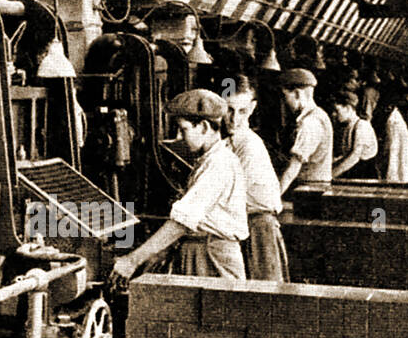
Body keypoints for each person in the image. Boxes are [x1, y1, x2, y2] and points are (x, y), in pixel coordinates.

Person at [111, 89, 248, 282]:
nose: (180, 137)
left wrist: (132, 261)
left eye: (183, 129)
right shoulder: (208, 160)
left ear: (203, 127)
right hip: (202, 249)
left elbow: (181, 222)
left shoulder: (219, 164)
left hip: (211, 255)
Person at [223, 75, 288, 282]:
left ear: (252, 108)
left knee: (267, 298)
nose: (234, 119)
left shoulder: (249, 145)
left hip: (261, 229)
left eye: (242, 111)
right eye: (229, 110)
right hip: (247, 225)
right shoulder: (229, 142)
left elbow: (229, 196)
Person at [276, 68, 334, 194]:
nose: (285, 102)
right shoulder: (320, 114)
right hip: (314, 187)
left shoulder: (310, 123)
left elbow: (293, 168)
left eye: (285, 96)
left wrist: (273, 199)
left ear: (297, 94)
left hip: (311, 189)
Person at [331, 88, 378, 180]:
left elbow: (354, 157)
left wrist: (331, 175)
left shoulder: (362, 126)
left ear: (348, 108)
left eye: (336, 111)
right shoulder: (345, 128)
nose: (333, 114)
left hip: (364, 177)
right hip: (350, 173)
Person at [383, 97, 408, 183]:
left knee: (395, 154)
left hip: (394, 128)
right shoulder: (396, 118)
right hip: (395, 128)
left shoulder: (394, 120)